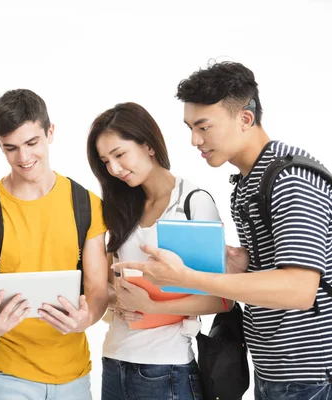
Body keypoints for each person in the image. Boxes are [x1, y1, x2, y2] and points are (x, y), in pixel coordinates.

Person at [116, 61, 332, 399]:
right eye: (189, 127)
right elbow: (272, 278)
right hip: (273, 369)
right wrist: (240, 267)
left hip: (311, 374)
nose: (194, 140)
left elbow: (300, 289)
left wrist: (189, 277)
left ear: (245, 119)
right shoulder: (246, 184)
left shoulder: (290, 179)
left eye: (203, 127)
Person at [0, 89, 108, 400]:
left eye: (31, 143)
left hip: (74, 377)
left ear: (50, 132)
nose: (23, 158)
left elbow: (98, 292)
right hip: (5, 377)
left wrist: (87, 318)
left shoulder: (87, 205)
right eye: (10, 148)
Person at [86, 102, 231, 400]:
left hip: (166, 369)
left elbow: (221, 298)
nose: (113, 169)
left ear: (148, 145)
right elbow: (111, 286)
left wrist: (153, 306)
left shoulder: (192, 202)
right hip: (114, 360)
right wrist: (115, 298)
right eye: (105, 161)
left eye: (119, 154)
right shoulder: (122, 209)